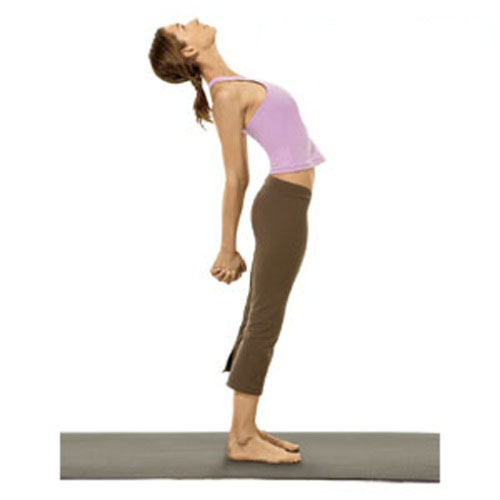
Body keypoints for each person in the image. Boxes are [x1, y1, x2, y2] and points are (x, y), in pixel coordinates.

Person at [149, 18, 327, 464]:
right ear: (189, 51)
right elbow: (235, 177)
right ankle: (242, 439)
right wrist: (226, 248)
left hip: (287, 204)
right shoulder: (226, 95)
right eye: (181, 27)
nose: (192, 19)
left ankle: (247, 429)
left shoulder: (233, 84)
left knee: (258, 316)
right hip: (282, 208)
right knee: (265, 320)